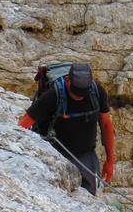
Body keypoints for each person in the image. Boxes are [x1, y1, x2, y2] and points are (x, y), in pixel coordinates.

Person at [18, 63, 114, 195]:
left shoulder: (97, 92)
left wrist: (110, 161)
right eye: (75, 93)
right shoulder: (53, 96)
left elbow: (106, 125)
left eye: (83, 94)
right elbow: (22, 125)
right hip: (54, 155)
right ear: (67, 80)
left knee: (88, 196)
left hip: (86, 156)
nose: (79, 97)